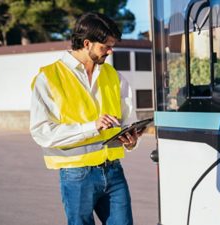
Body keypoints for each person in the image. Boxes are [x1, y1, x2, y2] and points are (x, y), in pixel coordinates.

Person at [30, 12, 141, 225]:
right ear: (87, 43)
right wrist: (92, 127)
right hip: (76, 175)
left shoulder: (113, 75)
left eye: (112, 45)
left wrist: (131, 139)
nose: (111, 51)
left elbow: (127, 120)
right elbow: (42, 132)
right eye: (105, 46)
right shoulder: (48, 78)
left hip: (113, 170)